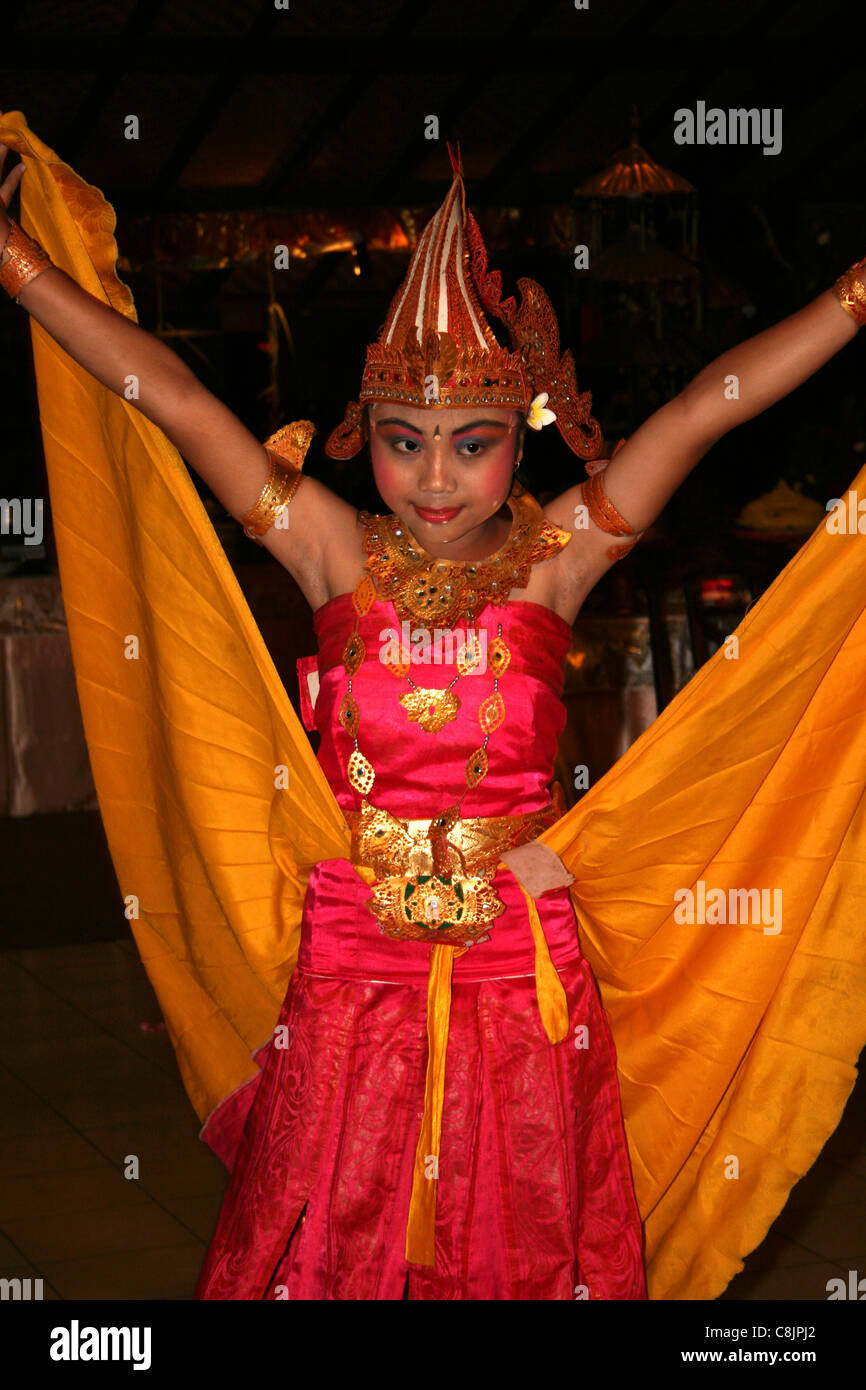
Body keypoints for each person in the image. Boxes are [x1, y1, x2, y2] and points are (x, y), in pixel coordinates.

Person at [2, 115, 865, 1301]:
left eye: (473, 444)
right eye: (405, 444)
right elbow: (184, 402)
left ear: (527, 437)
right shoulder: (332, 550)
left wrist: (853, 298)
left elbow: (703, 413)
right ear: (369, 436)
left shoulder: (555, 556)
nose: (438, 479)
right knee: (331, 1228)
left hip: (519, 954)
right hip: (354, 957)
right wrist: (22, 269)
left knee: (510, 1226)